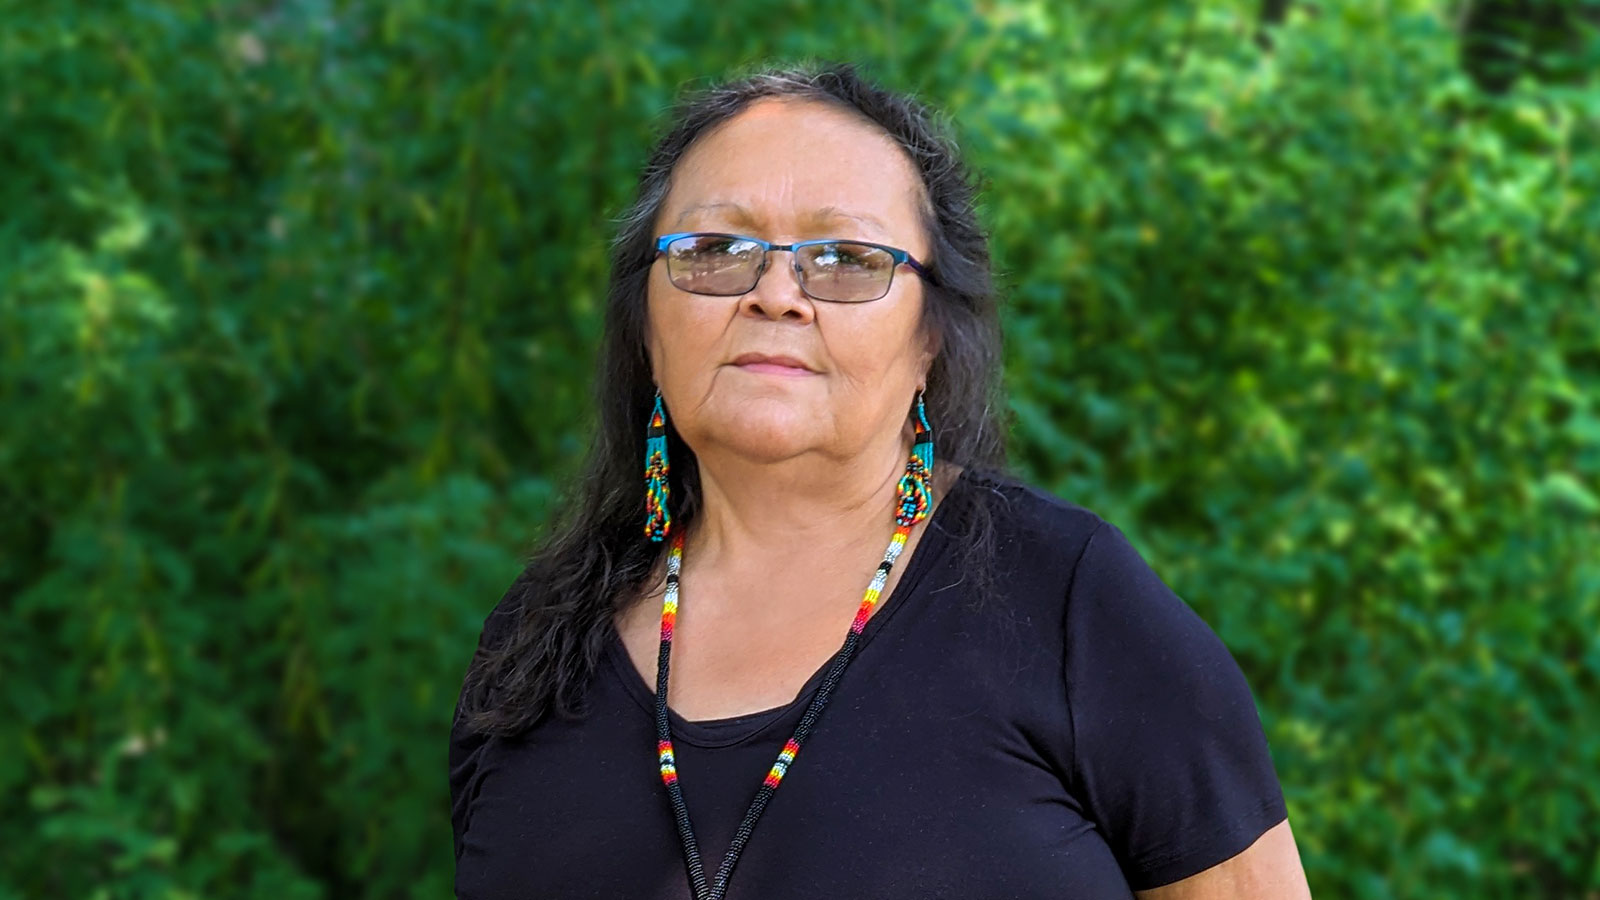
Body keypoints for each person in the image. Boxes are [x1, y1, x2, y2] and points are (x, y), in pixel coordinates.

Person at [449, 60, 1312, 900]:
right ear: (645, 321)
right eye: (716, 249)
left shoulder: (1072, 608)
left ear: (932, 336)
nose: (777, 294)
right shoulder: (532, 649)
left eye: (848, 259)